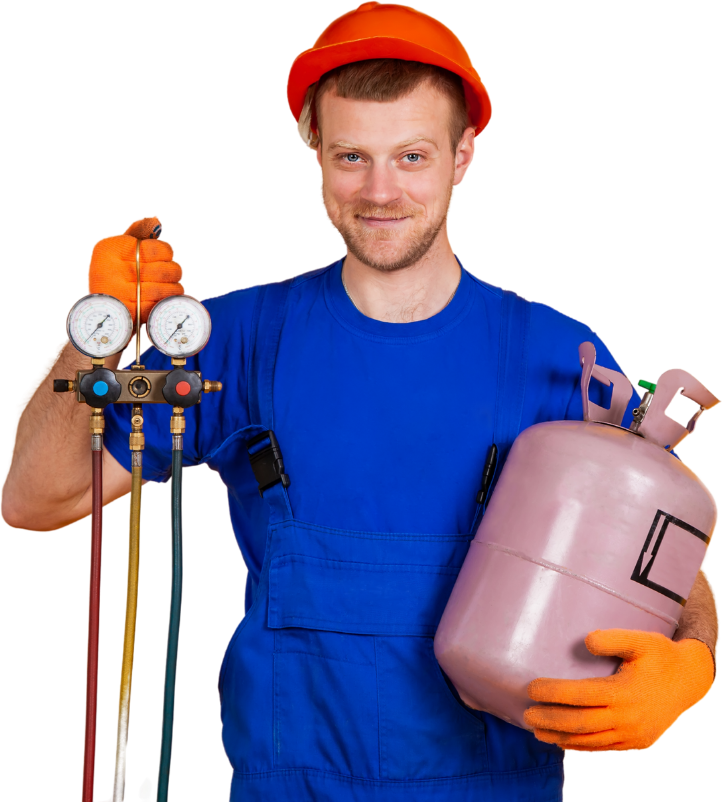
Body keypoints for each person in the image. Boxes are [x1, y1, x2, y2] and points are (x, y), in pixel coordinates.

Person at [2, 3, 717, 801]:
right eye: (352, 156)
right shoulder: (229, 341)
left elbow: (666, 564)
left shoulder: (563, 361)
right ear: (312, 144)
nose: (380, 192)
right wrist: (94, 336)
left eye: (412, 155)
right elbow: (35, 499)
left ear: (463, 155)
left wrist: (693, 663)